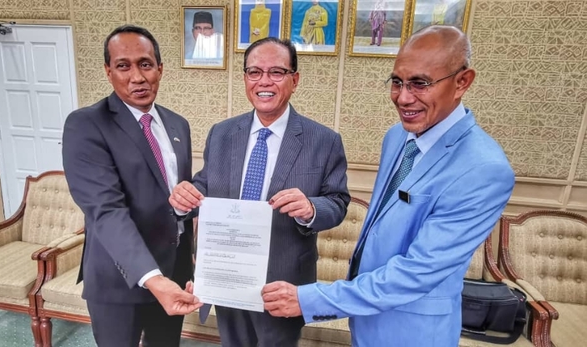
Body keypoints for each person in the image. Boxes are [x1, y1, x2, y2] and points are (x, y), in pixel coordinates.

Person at [261, 25, 515, 347]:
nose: (403, 97)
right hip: (366, 318)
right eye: (397, 82)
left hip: (412, 332)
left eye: (420, 83)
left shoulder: (484, 169)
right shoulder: (398, 137)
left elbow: (417, 272)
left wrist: (312, 299)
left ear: (462, 82)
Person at [169, 37, 350, 346]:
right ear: (245, 79)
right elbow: (206, 185)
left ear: (294, 80)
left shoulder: (324, 140)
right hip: (226, 275)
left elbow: (338, 202)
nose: (264, 81)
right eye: (255, 72)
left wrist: (311, 208)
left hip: (282, 282)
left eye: (277, 72)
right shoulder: (222, 133)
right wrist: (185, 196)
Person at [62, 24, 202, 347]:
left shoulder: (178, 124)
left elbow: (177, 201)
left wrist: (194, 260)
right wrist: (152, 279)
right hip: (119, 279)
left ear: (160, 69)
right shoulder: (86, 125)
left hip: (173, 273)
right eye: (123, 66)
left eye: (145, 64)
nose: (137, 77)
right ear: (108, 71)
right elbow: (106, 211)